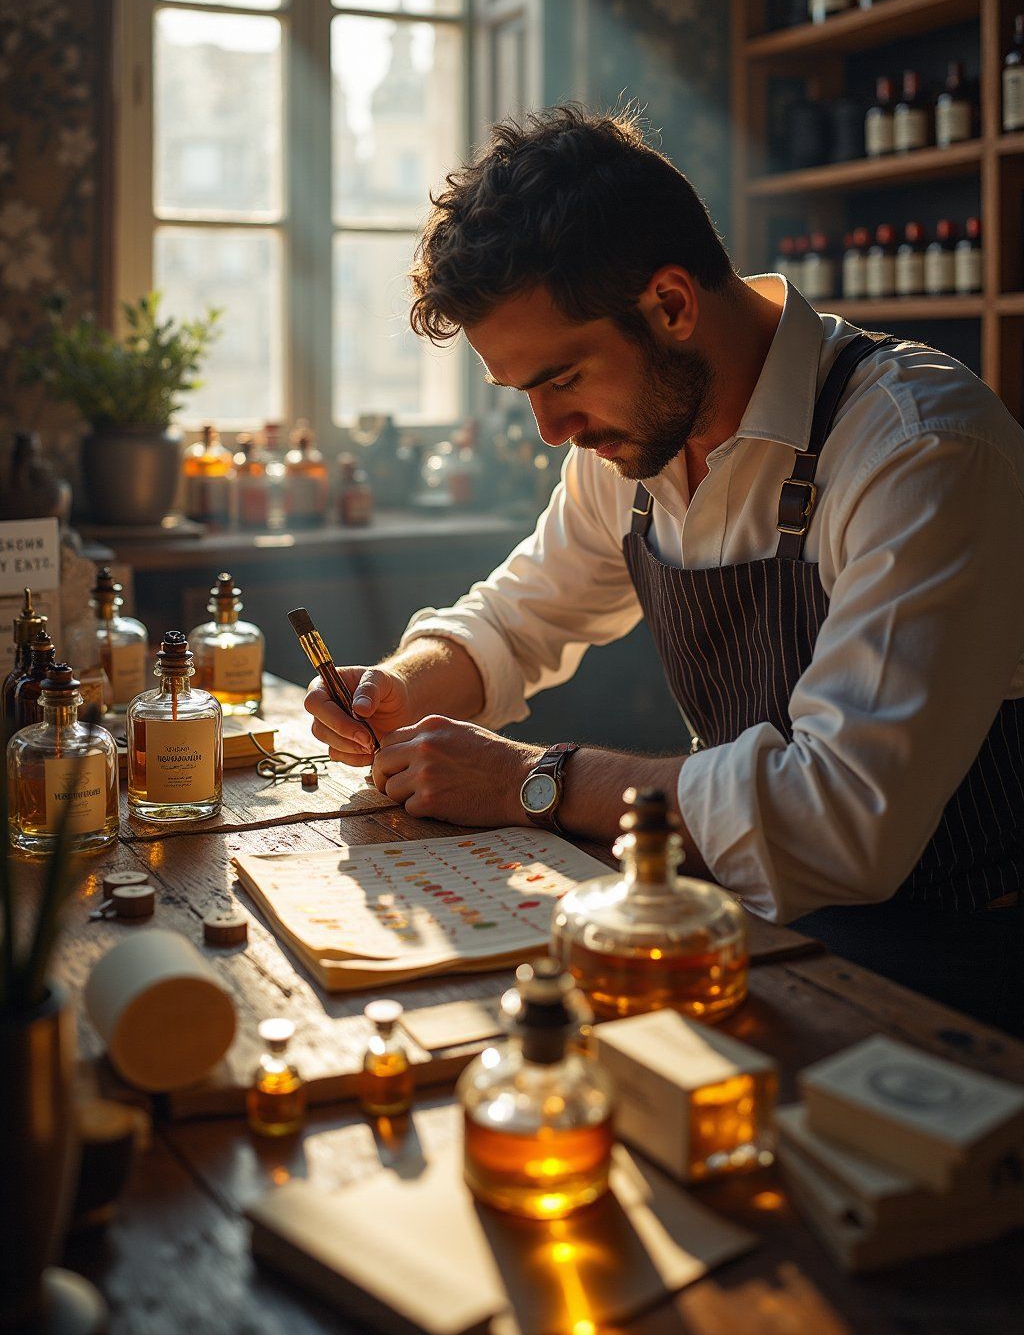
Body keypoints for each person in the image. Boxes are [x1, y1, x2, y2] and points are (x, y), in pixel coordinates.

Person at [307, 105, 1024, 1033]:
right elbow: (520, 618)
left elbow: (842, 822)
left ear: (672, 305)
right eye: (524, 393)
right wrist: (405, 684)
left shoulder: (921, 451)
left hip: (953, 977)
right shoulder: (633, 447)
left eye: (560, 379)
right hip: (751, 927)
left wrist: (537, 779)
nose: (549, 431)